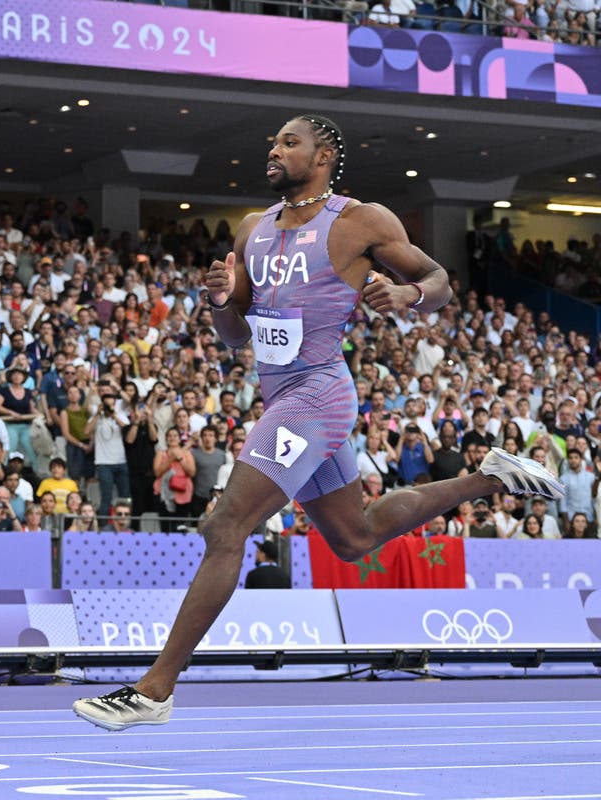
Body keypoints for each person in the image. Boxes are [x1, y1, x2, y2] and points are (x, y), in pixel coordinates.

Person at [73, 114, 565, 732]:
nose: (272, 150)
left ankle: (154, 689)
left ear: (325, 154)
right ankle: (489, 479)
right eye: (272, 142)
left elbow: (439, 280)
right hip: (281, 398)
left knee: (226, 523)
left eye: (288, 142)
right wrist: (222, 302)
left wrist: (409, 298)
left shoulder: (362, 221)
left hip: (319, 397)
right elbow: (233, 338)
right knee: (353, 538)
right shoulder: (252, 229)